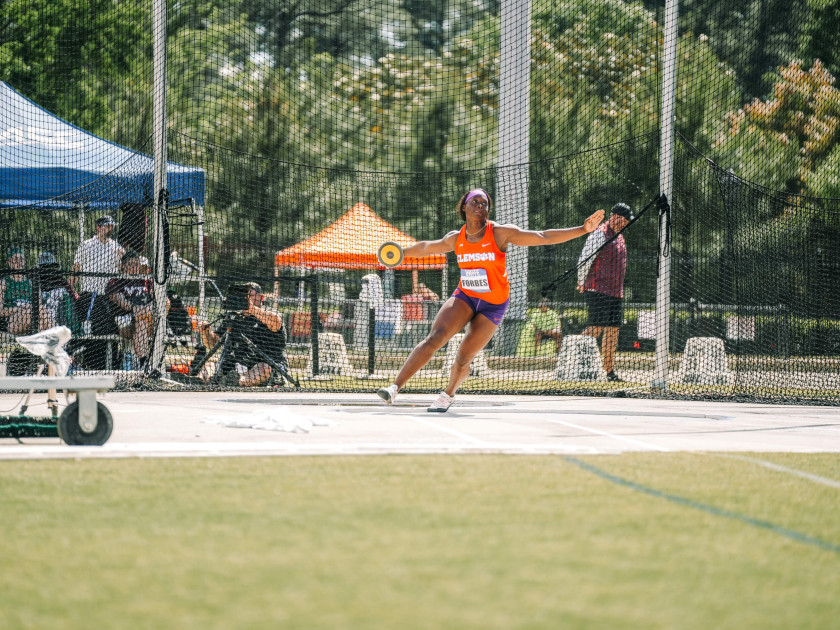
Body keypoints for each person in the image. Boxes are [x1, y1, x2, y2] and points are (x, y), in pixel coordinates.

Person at [376, 188, 604, 412]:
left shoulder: (499, 233)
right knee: (435, 338)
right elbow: (427, 247)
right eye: (475, 201)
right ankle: (394, 388)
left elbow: (543, 236)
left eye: (484, 203)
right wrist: (400, 252)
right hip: (465, 296)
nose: (480, 206)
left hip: (493, 305)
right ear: (463, 207)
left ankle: (447, 395)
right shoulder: (456, 238)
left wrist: (583, 229)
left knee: (464, 358)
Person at [576, 202, 633, 382]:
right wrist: (581, 280)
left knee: (613, 330)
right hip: (597, 287)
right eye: (624, 219)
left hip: (616, 292)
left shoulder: (620, 236)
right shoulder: (600, 234)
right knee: (596, 327)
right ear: (615, 216)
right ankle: (571, 355)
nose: (626, 223)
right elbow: (586, 257)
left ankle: (609, 372)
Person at [197, 282, 288, 387]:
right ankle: (200, 382)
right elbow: (212, 343)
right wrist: (205, 332)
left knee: (263, 369)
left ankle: (235, 382)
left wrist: (252, 309)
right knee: (209, 366)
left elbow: (276, 323)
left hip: (267, 364)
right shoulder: (234, 317)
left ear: (261, 297)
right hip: (236, 365)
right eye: (243, 296)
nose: (246, 299)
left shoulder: (269, 313)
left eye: (250, 296)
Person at [72, 214, 125, 336]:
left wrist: (123, 256)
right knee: (90, 326)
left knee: (111, 328)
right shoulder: (86, 245)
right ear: (98, 227)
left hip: (111, 294)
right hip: (91, 293)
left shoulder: (116, 246)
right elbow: (76, 268)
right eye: (107, 226)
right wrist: (72, 288)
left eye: (111, 226)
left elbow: (123, 269)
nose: (110, 229)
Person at [105, 249, 157, 369]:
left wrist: (146, 309)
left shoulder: (146, 281)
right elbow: (119, 300)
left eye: (136, 265)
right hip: (124, 321)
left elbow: (156, 300)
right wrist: (135, 308)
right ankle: (145, 363)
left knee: (141, 321)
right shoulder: (116, 281)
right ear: (123, 266)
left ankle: (143, 363)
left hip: (145, 318)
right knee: (141, 322)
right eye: (130, 265)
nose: (134, 267)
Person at [0, 247, 42, 335]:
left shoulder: (31, 283)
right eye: (15, 259)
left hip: (33, 320)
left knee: (44, 311)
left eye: (21, 259)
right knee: (33, 311)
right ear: (8, 261)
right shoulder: (3, 283)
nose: (19, 262)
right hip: (12, 322)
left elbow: (40, 306)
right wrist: (19, 309)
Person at [37, 251, 78, 331]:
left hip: (62, 319)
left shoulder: (61, 281)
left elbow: (73, 298)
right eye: (45, 267)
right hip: (44, 320)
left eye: (50, 267)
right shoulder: (36, 282)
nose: (48, 271)